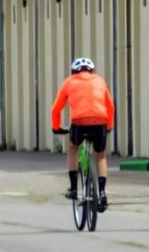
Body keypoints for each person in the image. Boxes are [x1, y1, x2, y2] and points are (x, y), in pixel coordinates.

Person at [51, 57, 115, 212]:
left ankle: (73, 188)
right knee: (101, 155)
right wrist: (109, 126)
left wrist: (56, 127)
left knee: (73, 147)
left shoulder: (69, 81)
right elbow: (111, 107)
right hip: (100, 121)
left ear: (74, 71)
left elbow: (56, 109)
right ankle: (102, 192)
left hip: (79, 123)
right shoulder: (100, 81)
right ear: (91, 70)